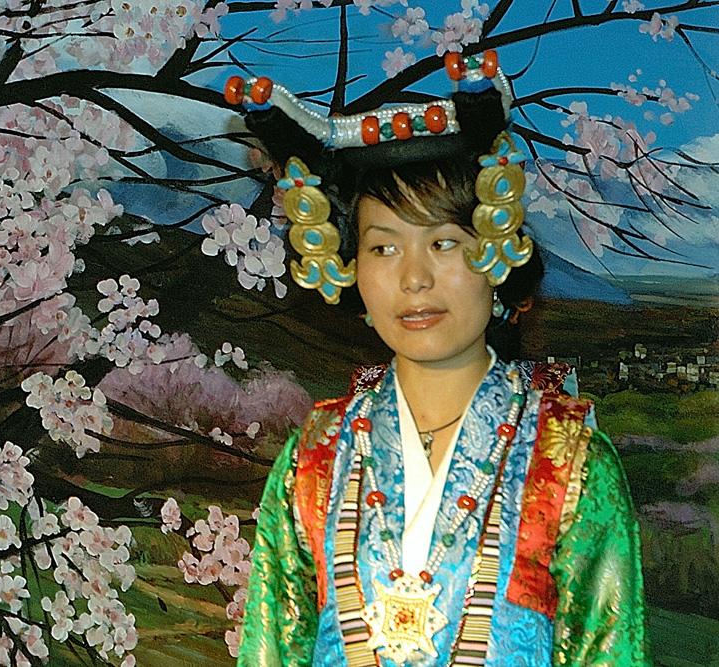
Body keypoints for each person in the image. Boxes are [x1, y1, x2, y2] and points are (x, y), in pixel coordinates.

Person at [224, 51, 647, 667]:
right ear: (350, 270)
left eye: (444, 243)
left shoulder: (571, 467)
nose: (414, 278)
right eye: (383, 247)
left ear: (497, 253)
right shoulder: (312, 461)